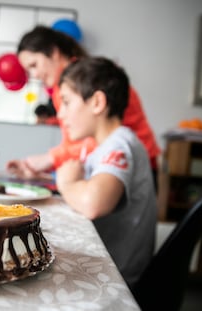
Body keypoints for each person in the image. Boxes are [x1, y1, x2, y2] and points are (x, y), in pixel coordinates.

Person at [6, 26, 160, 188]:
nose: (34, 75)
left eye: (34, 65)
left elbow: (98, 139)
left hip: (130, 165)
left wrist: (51, 158)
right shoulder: (66, 84)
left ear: (54, 52)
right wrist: (44, 171)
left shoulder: (86, 79)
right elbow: (74, 143)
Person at [55, 56, 157, 288]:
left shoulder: (120, 144)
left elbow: (94, 203)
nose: (60, 114)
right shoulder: (107, 146)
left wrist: (67, 183)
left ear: (97, 103)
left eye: (67, 102)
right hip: (108, 268)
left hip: (114, 278)